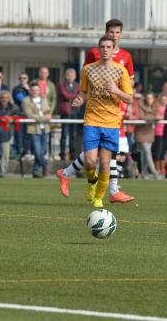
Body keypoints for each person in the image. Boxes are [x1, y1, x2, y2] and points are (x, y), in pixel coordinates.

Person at [57, 21, 137, 203]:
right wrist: (79, 98)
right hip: (93, 116)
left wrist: (118, 94)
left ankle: (102, 191)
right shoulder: (91, 59)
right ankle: (105, 187)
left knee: (107, 159)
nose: (114, 36)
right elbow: (85, 88)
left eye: (117, 33)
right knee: (93, 159)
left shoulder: (125, 60)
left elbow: (129, 91)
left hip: (115, 114)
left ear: (121, 35)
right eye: (111, 32)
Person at [22, 82, 51, 178]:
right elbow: (29, 115)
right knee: (38, 152)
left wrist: (46, 115)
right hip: (33, 129)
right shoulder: (26, 101)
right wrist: (43, 117)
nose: (35, 92)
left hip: (44, 129)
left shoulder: (44, 99)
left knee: (42, 152)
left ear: (39, 91)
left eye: (36, 90)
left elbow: (48, 111)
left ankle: (36, 171)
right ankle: (45, 165)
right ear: (30, 90)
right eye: (33, 90)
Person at [135, 92, 160, 180]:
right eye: (148, 98)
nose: (149, 100)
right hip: (141, 132)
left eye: (151, 98)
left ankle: (144, 173)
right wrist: (152, 118)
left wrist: (150, 117)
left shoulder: (155, 106)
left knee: (147, 154)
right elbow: (141, 116)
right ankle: (154, 172)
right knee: (148, 153)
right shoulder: (140, 105)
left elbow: (157, 116)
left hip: (150, 132)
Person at [57, 68, 80, 161]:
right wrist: (73, 97)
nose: (70, 77)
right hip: (65, 112)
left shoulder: (78, 85)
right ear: (66, 76)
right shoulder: (61, 85)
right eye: (68, 75)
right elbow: (65, 95)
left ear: (75, 76)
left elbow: (79, 96)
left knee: (73, 135)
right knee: (64, 134)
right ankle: (62, 154)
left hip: (75, 111)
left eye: (72, 75)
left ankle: (72, 154)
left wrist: (72, 97)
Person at [12, 72, 31, 159]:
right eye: (20, 78)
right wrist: (29, 92)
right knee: (18, 135)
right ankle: (18, 153)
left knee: (27, 135)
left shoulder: (31, 89)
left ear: (27, 79)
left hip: (29, 115)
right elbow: (23, 100)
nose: (22, 80)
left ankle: (26, 152)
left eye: (24, 78)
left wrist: (29, 90)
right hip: (19, 115)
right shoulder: (16, 89)